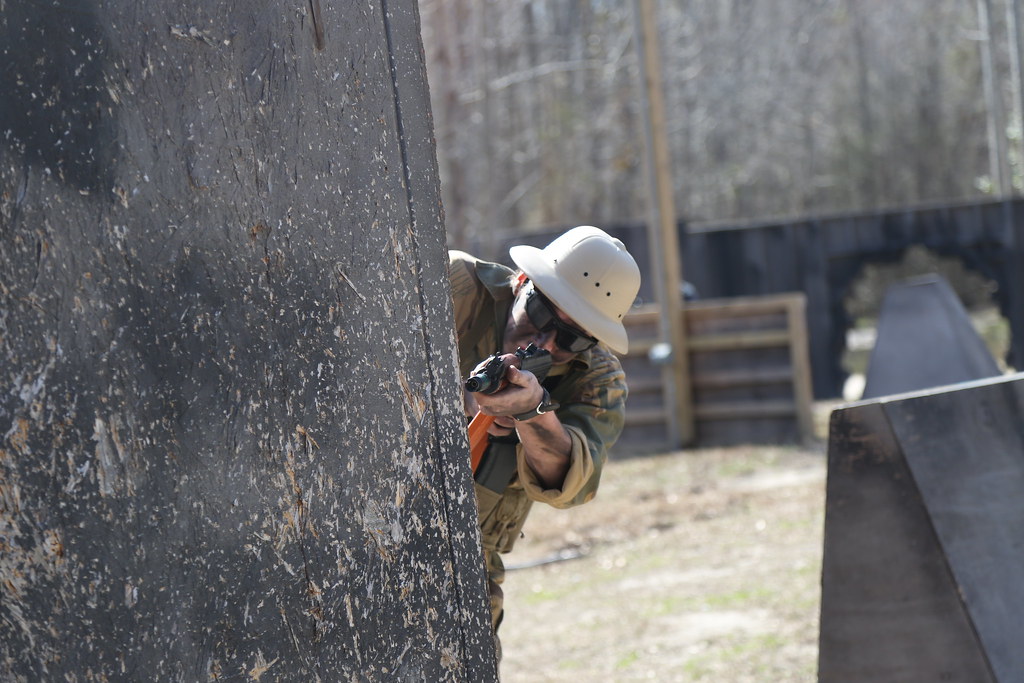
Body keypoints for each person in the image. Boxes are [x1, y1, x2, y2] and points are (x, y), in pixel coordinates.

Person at [447, 225, 641, 653]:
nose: (545, 343)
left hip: (465, 557)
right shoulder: (456, 288)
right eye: (541, 313)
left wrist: (531, 415)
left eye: (571, 338)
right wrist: (451, 401)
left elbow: (571, 485)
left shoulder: (596, 379)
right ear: (521, 281)